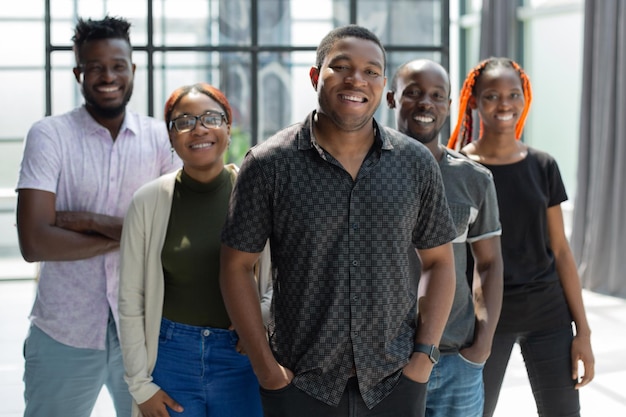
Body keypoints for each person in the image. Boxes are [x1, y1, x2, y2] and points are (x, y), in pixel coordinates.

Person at [219, 24, 458, 417]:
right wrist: (267, 371)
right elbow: (235, 266)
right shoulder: (268, 164)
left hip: (395, 382)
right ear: (316, 76)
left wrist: (423, 358)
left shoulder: (415, 163)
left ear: (382, 84)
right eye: (341, 66)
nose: (356, 80)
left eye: (371, 71)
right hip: (298, 384)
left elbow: (440, 261)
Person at [15, 16, 180, 417]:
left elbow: (175, 233)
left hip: (144, 333)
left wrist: (88, 219)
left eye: (118, 65)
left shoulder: (161, 138)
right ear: (78, 73)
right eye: (95, 67)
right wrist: (134, 235)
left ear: (133, 70)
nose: (108, 76)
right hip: (64, 331)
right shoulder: (49, 136)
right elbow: (35, 242)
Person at [448, 56, 595, 417]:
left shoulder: (543, 165)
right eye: (492, 96)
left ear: (524, 99)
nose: (504, 105)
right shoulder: (458, 169)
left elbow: (560, 251)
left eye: (514, 95)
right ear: (475, 102)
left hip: (548, 316)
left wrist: (584, 333)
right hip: (483, 321)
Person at [118, 82, 270, 417]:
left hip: (243, 356)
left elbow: (284, 276)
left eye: (211, 118)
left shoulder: (258, 194)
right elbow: (129, 300)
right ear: (171, 138)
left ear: (229, 129)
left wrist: (260, 315)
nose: (198, 128)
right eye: (184, 121)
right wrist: (140, 387)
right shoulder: (147, 202)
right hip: (172, 359)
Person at [387, 59, 503, 417]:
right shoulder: (365, 171)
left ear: (449, 106)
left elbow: (489, 263)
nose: (426, 103)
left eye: (438, 95)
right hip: (384, 364)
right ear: (392, 99)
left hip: (457, 361)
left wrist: (481, 347)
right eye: (414, 93)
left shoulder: (474, 179)